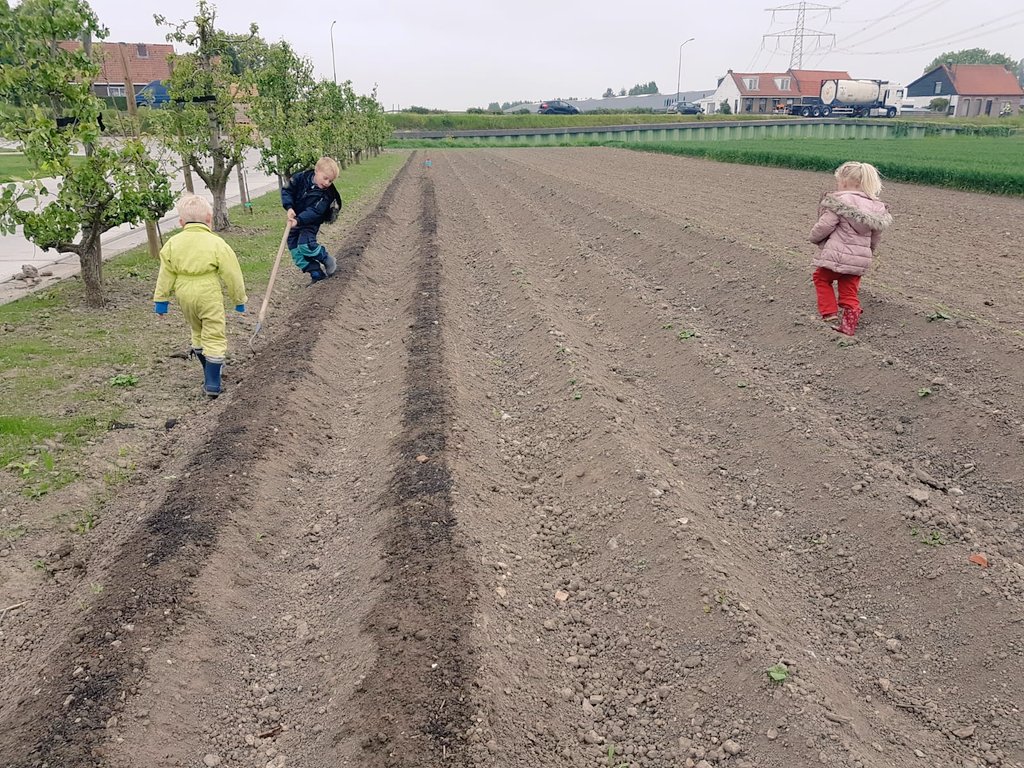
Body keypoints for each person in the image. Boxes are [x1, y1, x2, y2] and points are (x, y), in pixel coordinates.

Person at [153, 194, 247, 397]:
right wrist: (239, 300)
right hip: (207, 291)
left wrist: (161, 301)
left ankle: (208, 370)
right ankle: (213, 382)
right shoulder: (216, 243)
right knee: (213, 332)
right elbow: (232, 274)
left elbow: (165, 274)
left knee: (197, 329)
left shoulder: (172, 243)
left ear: (181, 222)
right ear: (209, 219)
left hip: (184, 292)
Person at [809, 161, 893, 336]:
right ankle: (849, 325)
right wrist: (868, 251)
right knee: (849, 290)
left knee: (821, 278)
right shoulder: (876, 208)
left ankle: (829, 313)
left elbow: (825, 225)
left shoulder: (839, 202)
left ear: (845, 182)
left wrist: (814, 237)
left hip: (837, 256)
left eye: (838, 182)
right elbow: (875, 238)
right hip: (859, 260)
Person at [281, 156, 343, 283]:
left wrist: (298, 220)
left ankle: (326, 259)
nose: (327, 183)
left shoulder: (327, 194)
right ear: (316, 171)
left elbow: (315, 211)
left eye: (330, 181)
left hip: (310, 223)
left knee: (306, 245)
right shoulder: (300, 178)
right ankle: (316, 274)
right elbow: (287, 190)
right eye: (325, 178)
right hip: (295, 219)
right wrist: (289, 207)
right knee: (296, 253)